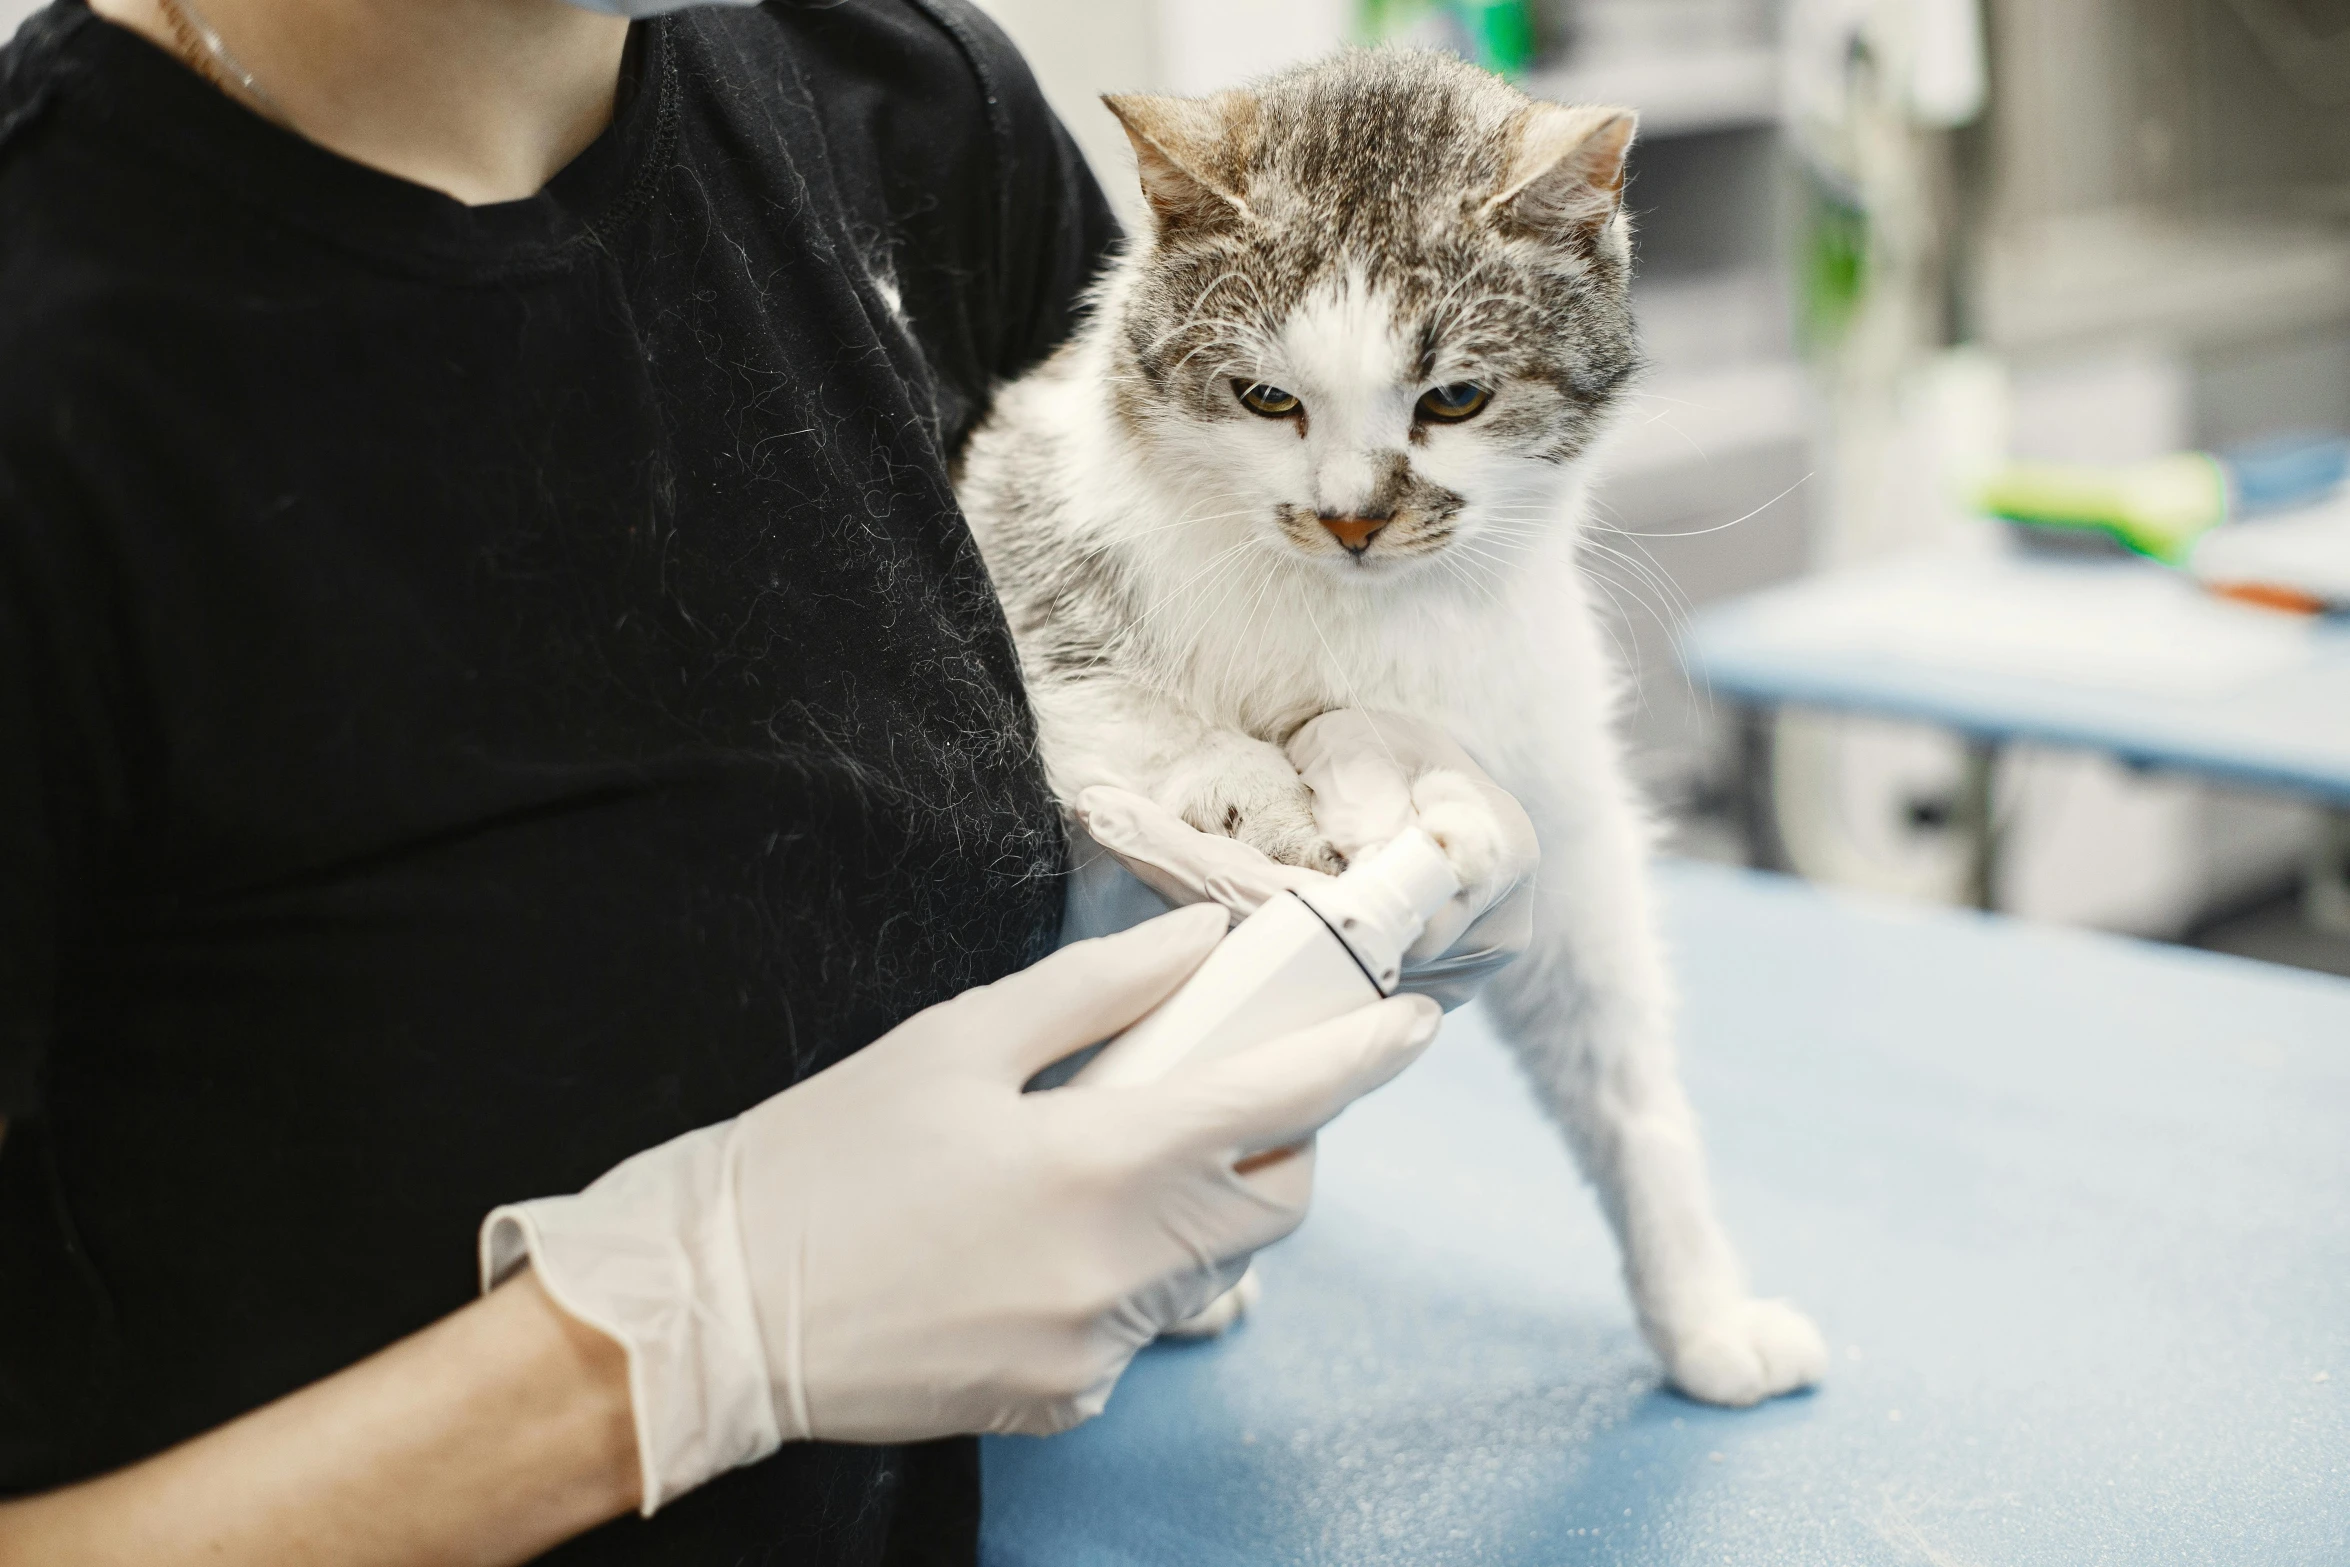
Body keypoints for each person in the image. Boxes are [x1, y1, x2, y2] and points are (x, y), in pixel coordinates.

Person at [0, 0, 1529, 1561]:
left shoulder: (904, 107)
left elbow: (1221, 605)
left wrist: (1351, 780)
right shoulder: (58, 362)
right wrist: (664, 1352)